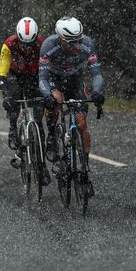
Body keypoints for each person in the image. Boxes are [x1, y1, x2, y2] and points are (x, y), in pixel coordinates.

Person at [39, 16, 104, 194]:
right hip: (54, 80)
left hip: (75, 80)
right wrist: (47, 96)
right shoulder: (48, 46)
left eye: (79, 41)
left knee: (82, 123)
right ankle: (52, 135)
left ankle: (84, 168)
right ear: (60, 39)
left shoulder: (87, 44)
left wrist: (97, 92)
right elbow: (42, 78)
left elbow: (96, 73)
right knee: (56, 103)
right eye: (71, 42)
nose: (77, 46)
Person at [0, 17, 45, 155]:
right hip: (15, 75)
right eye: (23, 44)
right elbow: (2, 73)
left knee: (39, 107)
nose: (27, 48)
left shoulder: (42, 43)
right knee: (14, 99)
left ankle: (40, 135)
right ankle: (13, 128)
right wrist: (6, 96)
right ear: (17, 38)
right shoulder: (9, 44)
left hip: (35, 75)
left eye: (30, 44)